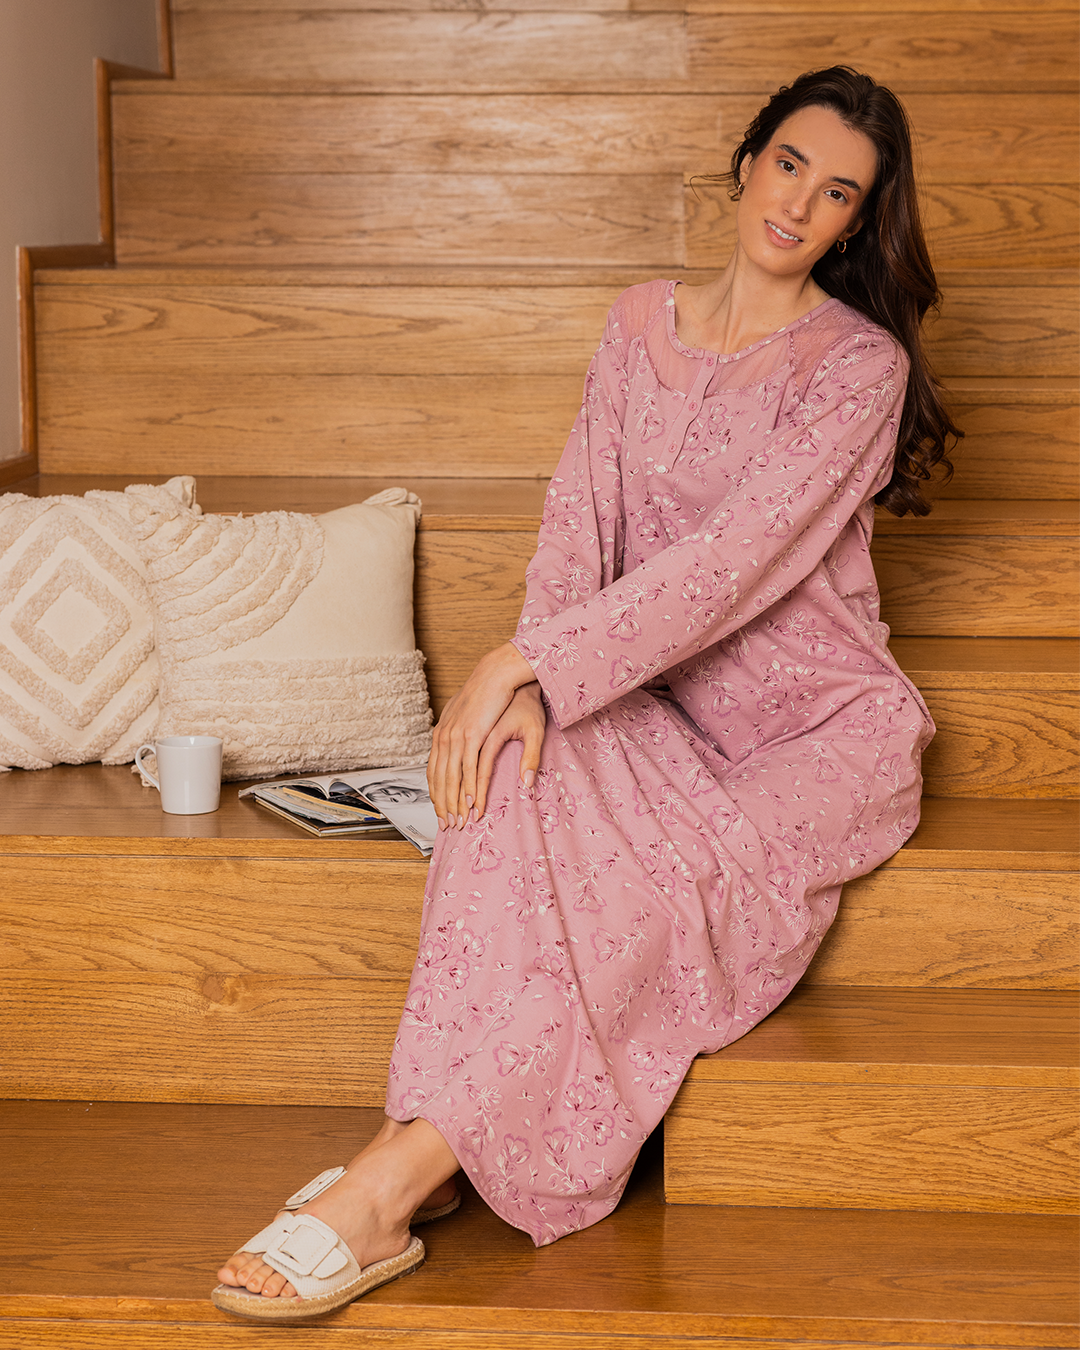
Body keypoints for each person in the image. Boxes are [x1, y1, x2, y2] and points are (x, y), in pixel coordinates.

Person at [213, 64, 959, 1320]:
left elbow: (733, 566)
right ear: (747, 163)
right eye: (788, 165)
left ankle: (394, 1174)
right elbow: (577, 525)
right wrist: (530, 671)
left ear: (855, 222)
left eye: (838, 193)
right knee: (509, 767)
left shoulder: (857, 366)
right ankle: (420, 1149)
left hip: (811, 734)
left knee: (641, 893)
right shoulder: (633, 324)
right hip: (646, 700)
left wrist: (527, 665)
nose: (798, 204)